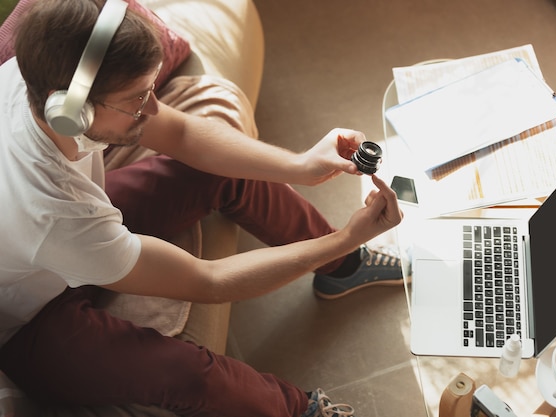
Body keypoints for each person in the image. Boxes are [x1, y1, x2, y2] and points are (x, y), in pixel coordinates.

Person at [0, 0, 404, 416]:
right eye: (137, 100)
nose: (154, 108)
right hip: (29, 320)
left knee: (221, 172)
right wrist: (342, 238)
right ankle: (301, 411)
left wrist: (301, 165)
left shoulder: (32, 73)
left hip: (66, 238)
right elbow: (208, 281)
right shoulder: (52, 212)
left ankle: (344, 269)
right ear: (69, 111)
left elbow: (182, 132)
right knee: (181, 372)